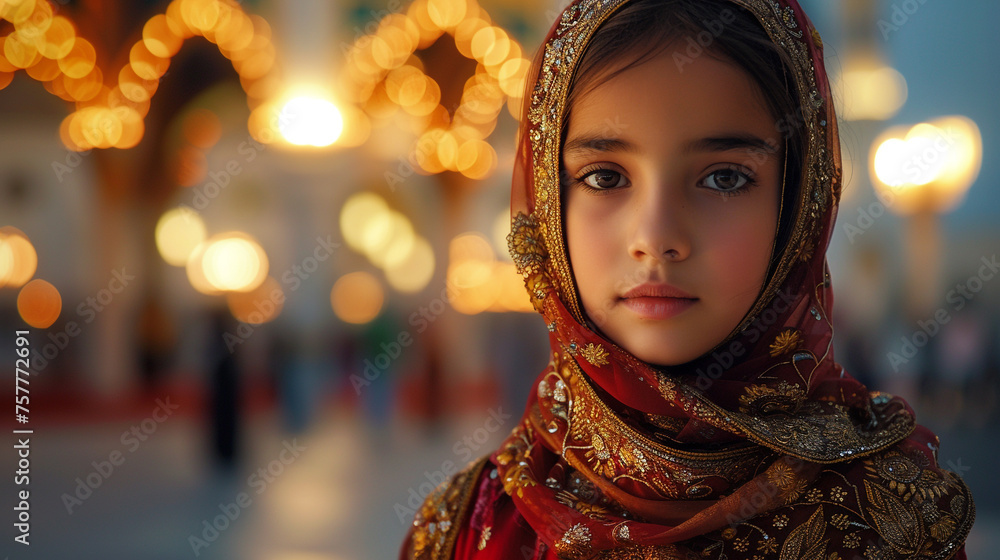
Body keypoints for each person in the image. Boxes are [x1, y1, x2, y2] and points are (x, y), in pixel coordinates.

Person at [400, 0, 976, 557]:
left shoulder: (889, 522)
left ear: (799, 200)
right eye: (604, 177)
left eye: (724, 178)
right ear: (548, 200)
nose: (656, 236)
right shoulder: (467, 528)